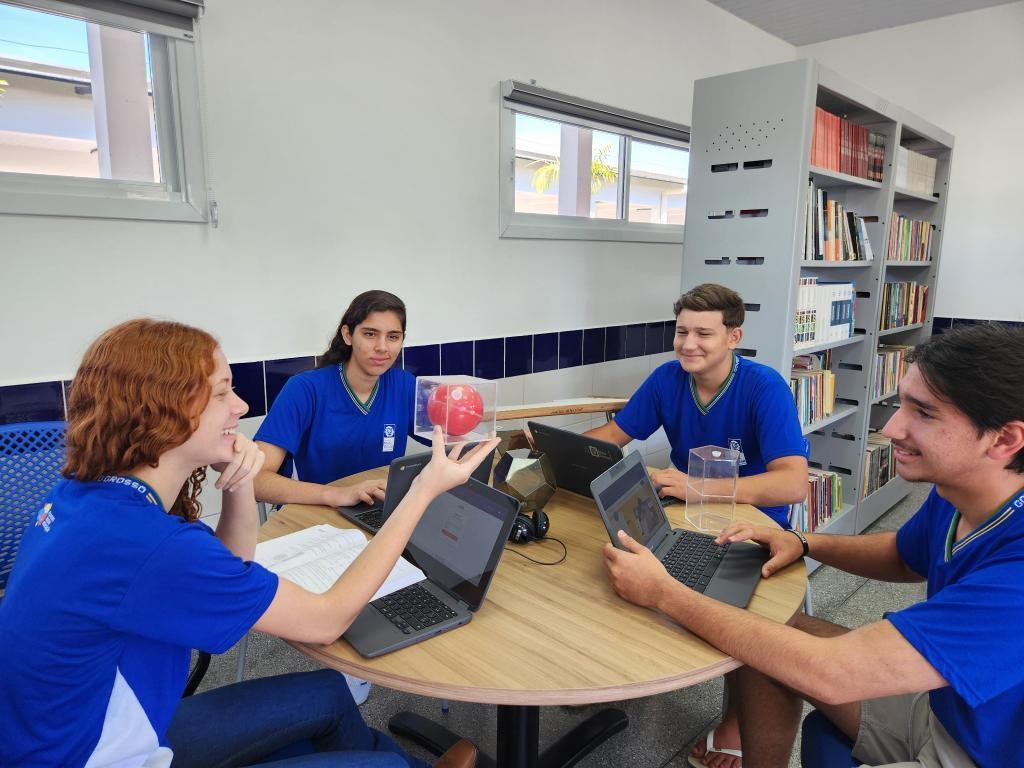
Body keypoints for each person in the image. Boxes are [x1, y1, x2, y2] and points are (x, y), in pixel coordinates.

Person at [0, 318, 490, 768]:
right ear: (162, 412)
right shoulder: (151, 546)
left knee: (327, 694)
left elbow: (228, 565)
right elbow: (327, 621)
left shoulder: (85, 494)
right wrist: (422, 492)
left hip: (81, 730)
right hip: (92, 757)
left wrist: (238, 485)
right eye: (222, 393)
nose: (241, 406)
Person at [603, 323, 1024, 768]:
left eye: (924, 413)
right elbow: (904, 555)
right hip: (944, 707)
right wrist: (801, 541)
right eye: (901, 404)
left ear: (1004, 439)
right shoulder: (957, 493)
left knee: (786, 649)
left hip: (980, 755)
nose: (892, 427)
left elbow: (833, 674)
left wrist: (664, 592)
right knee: (772, 635)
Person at [586, 283, 808, 766]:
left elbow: (793, 483)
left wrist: (699, 486)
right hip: (685, 513)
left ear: (733, 337)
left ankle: (736, 721)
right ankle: (606, 679)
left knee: (744, 624)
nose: (688, 344)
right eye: (681, 331)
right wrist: (552, 450)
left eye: (703, 334)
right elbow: (613, 435)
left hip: (753, 526)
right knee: (605, 569)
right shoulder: (667, 379)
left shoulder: (764, 386)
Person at [254, 290, 419, 509]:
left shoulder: (404, 384)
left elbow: (452, 439)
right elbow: (255, 481)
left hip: (381, 510)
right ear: (348, 335)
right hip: (319, 513)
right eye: (370, 334)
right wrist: (337, 494)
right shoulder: (304, 389)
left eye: (393, 337)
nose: (382, 347)